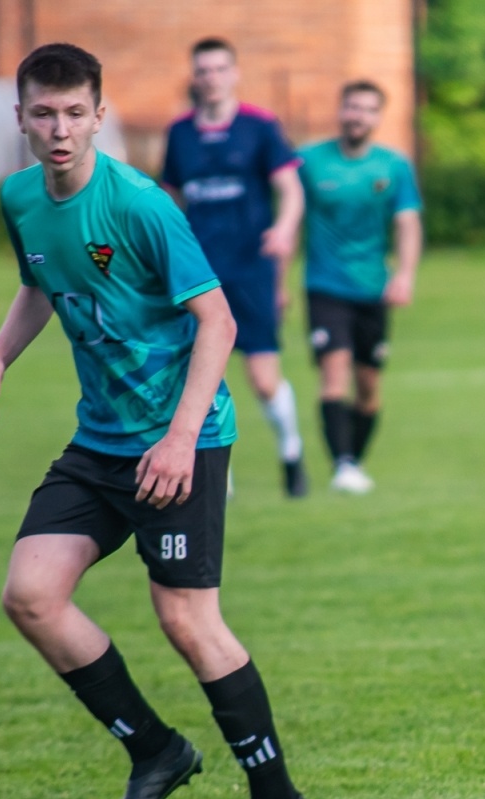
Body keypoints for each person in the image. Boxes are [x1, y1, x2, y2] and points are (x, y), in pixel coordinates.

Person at [0, 42, 312, 799]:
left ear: (100, 116)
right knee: (32, 595)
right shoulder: (21, 199)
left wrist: (180, 440)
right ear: (20, 117)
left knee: (187, 619)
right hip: (101, 442)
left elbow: (217, 321)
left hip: (182, 435)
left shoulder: (142, 205)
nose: (59, 130)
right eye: (44, 114)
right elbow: (41, 287)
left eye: (74, 114)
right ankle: (155, 752)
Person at [161, 37, 308, 497]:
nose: (211, 78)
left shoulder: (260, 127)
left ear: (235, 73)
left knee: (264, 380)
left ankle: (291, 450)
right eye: (202, 70)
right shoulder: (179, 132)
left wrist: (284, 229)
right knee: (202, 380)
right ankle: (217, 479)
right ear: (195, 76)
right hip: (199, 275)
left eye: (220, 68)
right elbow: (169, 200)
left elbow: (291, 189)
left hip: (250, 271)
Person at [296, 80, 422, 494]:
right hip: (325, 286)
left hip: (373, 290)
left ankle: (353, 462)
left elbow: (407, 222)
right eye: (351, 106)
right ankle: (343, 464)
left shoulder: (393, 165)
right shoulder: (310, 161)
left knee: (368, 387)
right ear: (340, 110)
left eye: (368, 109)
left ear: (378, 117)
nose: (357, 115)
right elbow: (288, 213)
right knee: (334, 375)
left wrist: (404, 275)